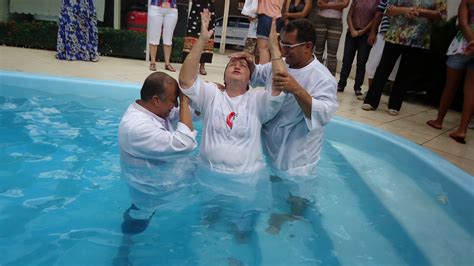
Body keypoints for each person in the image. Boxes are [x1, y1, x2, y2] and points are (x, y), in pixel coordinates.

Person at [178, 9, 286, 249]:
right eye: (232, 63)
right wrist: (202, 41)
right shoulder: (212, 94)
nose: (237, 65)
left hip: (246, 183)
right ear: (225, 74)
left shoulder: (257, 101)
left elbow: (280, 83)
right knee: (205, 228)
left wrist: (273, 47)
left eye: (244, 65)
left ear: (250, 78)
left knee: (241, 237)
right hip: (208, 176)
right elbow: (185, 81)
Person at [247, 18, 338, 233]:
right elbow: (259, 75)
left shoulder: (322, 78)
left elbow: (322, 116)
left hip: (298, 156)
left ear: (308, 47)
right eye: (282, 44)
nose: (283, 50)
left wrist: (297, 89)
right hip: (271, 146)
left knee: (297, 198)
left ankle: (288, 219)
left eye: (289, 45)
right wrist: (248, 64)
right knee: (273, 187)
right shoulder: (282, 63)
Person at [118, 71, 198, 236]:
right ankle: (124, 251)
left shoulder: (154, 110)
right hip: (150, 191)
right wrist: (184, 101)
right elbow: (186, 143)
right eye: (172, 100)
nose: (175, 105)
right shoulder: (136, 127)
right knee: (139, 219)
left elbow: (184, 115)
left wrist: (210, 96)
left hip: (165, 179)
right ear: (155, 100)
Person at [362, 0, 447, 116]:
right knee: (384, 67)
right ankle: (371, 101)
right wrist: (406, 10)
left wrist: (420, 12)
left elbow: (442, 15)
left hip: (418, 39)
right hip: (395, 35)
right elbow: (388, 10)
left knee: (405, 73)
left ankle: (395, 105)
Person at [427, 0, 474, 144]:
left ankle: (439, 120)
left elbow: (462, 22)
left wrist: (472, 40)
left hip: (462, 45)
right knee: (471, 90)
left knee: (450, 86)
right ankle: (462, 130)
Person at [337, 0, 379, 96]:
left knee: (361, 62)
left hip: (366, 35)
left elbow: (374, 19)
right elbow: (349, 15)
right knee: (347, 60)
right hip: (352, 33)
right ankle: (341, 84)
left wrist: (362, 31)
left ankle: (357, 87)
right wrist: (352, 29)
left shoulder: (377, 2)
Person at [363, 0, 401, 100]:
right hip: (382, 34)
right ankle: (370, 93)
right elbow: (379, 13)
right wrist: (373, 32)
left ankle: (393, 99)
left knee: (396, 69)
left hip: (400, 36)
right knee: (373, 64)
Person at [312, 0, 350, 76]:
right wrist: (337, 4)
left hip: (336, 21)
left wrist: (326, 6)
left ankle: (330, 80)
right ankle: (315, 77)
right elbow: (319, 3)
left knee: (332, 54)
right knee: (318, 51)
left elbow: (345, 4)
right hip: (320, 18)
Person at [182, 0, 216, 75]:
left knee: (206, 35)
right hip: (196, 10)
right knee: (193, 35)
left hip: (208, 8)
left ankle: (202, 66)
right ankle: (191, 65)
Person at [148, 0, 178, 72]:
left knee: (168, 38)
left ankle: (167, 64)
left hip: (171, 8)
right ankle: (153, 62)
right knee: (154, 36)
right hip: (156, 7)